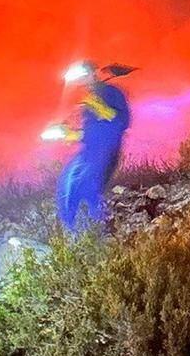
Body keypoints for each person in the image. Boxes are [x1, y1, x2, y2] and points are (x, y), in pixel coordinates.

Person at [53, 61, 135, 231]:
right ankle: (73, 237)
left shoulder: (111, 92)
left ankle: (98, 236)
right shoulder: (88, 102)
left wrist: (102, 109)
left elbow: (123, 122)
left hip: (106, 152)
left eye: (84, 76)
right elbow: (90, 133)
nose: (82, 81)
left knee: (87, 189)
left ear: (93, 73)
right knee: (67, 186)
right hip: (88, 153)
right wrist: (70, 134)